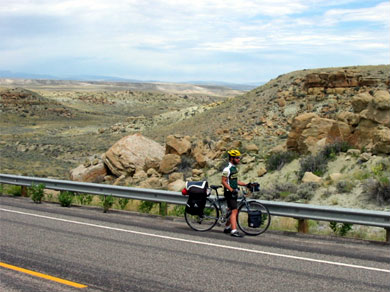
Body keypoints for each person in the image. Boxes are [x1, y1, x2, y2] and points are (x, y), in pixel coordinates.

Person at [221, 149, 249, 237]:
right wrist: (231, 189)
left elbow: (235, 181)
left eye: (239, 158)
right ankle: (234, 231)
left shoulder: (234, 168)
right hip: (229, 193)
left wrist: (246, 184)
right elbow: (223, 181)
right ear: (231, 158)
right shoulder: (227, 169)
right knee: (234, 211)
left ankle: (227, 228)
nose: (238, 159)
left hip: (233, 192)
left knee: (231, 210)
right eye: (237, 158)